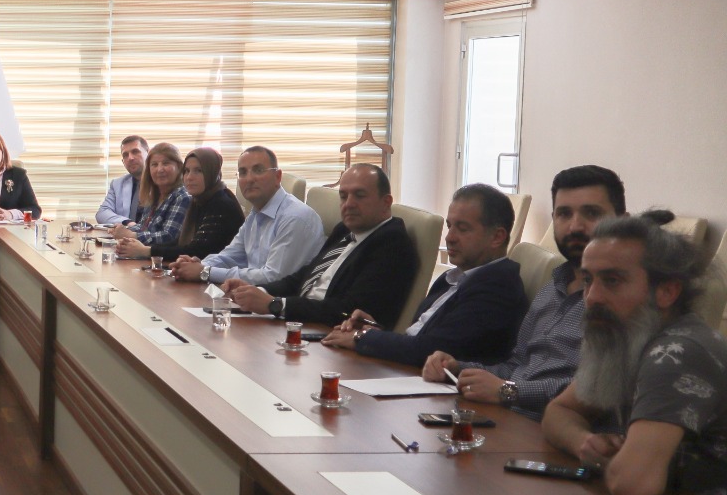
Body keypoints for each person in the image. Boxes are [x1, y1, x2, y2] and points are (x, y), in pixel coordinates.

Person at [543, 212, 727, 495]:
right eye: (588, 280)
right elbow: (559, 411)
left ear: (666, 291)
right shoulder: (629, 336)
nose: (592, 297)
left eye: (612, 281)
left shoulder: (678, 354)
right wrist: (585, 443)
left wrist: (613, 465)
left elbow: (633, 485)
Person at [423, 165, 626, 416]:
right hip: (508, 417)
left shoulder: (627, 298)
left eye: (591, 213)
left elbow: (600, 390)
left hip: (556, 427)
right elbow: (518, 366)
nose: (575, 226)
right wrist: (457, 368)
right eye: (564, 214)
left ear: (622, 222)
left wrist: (509, 391)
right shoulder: (552, 287)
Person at [324, 183, 526, 366]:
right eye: (449, 226)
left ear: (497, 237)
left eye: (463, 229)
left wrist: (363, 338)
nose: (449, 237)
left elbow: (431, 350)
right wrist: (373, 329)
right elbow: (418, 336)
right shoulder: (452, 278)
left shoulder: (498, 287)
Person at [224, 163, 418, 328]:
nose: (348, 204)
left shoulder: (392, 245)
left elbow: (347, 310)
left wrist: (274, 304)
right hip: (301, 323)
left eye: (359, 195)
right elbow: (304, 277)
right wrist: (258, 290)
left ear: (386, 202)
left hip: (330, 335)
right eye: (343, 196)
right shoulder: (345, 230)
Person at [170, 146, 324, 284]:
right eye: (243, 172)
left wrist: (205, 272)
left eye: (258, 170)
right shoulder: (256, 214)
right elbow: (230, 256)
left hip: (281, 302)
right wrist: (198, 265)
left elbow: (273, 277)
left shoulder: (295, 217)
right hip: (252, 296)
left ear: (277, 177)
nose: (249, 179)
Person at [116, 147, 242, 261]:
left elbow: (197, 251)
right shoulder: (200, 200)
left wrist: (146, 250)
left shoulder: (220, 203)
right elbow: (179, 242)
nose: (189, 177)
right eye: (187, 171)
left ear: (212, 172)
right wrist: (133, 241)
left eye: (198, 171)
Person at [111, 143, 189, 253]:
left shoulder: (183, 196)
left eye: (166, 163)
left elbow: (169, 236)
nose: (160, 169)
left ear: (179, 167)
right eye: (154, 165)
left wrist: (133, 235)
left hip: (164, 261)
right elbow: (144, 227)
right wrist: (123, 230)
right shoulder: (153, 195)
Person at [96, 135, 149, 226]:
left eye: (135, 152)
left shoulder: (162, 182)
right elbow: (102, 213)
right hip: (125, 233)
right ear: (123, 162)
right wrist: (127, 222)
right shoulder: (117, 184)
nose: (130, 158)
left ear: (148, 154)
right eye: (125, 155)